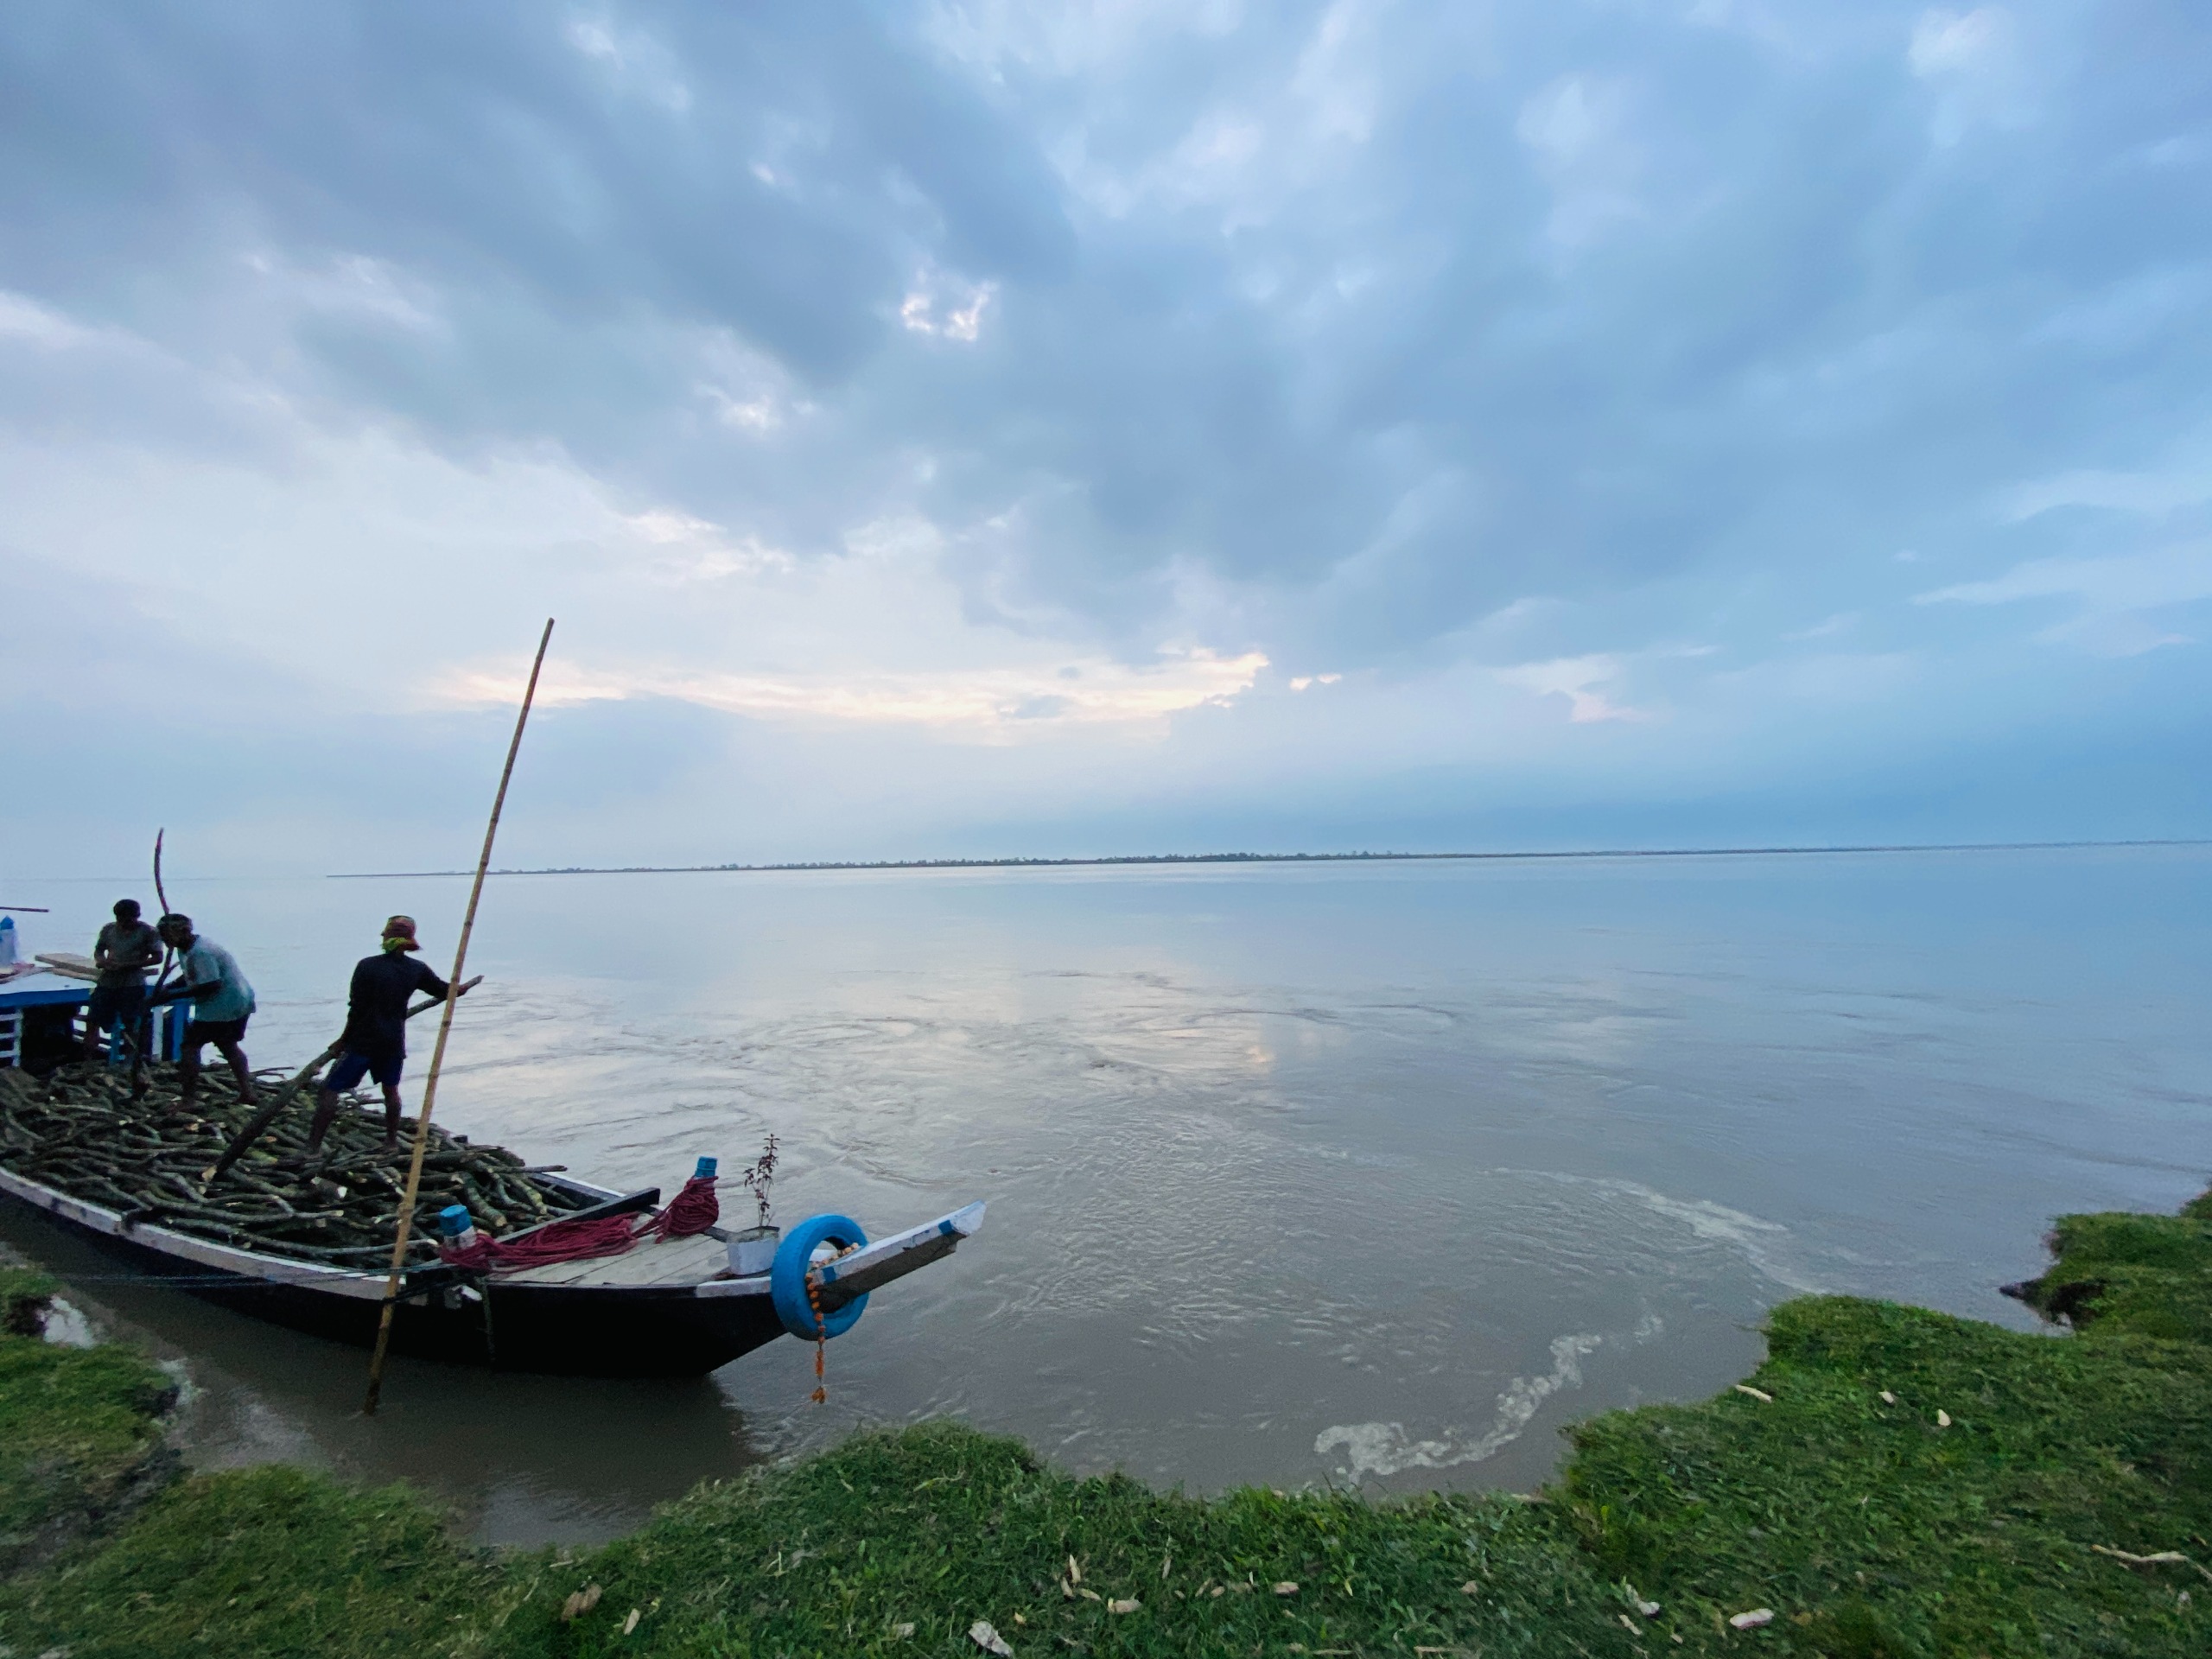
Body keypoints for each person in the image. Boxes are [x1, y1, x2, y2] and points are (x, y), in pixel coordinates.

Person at [306, 915, 467, 1154]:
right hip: (392, 1042)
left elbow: (356, 1009)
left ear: (389, 937)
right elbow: (445, 991)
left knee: (330, 1089)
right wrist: (461, 988)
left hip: (363, 1041)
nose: (382, 935)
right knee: (390, 1090)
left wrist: (342, 1041)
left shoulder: (367, 966)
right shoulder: (416, 969)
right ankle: (390, 1142)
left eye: (386, 933)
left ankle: (312, 1148)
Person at [150, 913, 257, 1108]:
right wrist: (169, 987)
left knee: (190, 1046)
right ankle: (247, 1092)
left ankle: (188, 1099)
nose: (164, 940)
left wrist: (171, 996)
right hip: (236, 999)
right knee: (227, 1044)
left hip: (224, 1003)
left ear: (183, 932)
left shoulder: (201, 952)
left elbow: (211, 985)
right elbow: (191, 974)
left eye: (167, 936)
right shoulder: (186, 949)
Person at [82, 899, 162, 1065]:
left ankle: (129, 1061)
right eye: (121, 919)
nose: (124, 923)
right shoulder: (108, 929)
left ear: (137, 916)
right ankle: (87, 1061)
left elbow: (157, 957)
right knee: (92, 1020)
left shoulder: (148, 932)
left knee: (131, 1023)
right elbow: (99, 950)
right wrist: (102, 961)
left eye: (129, 919)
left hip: (133, 983)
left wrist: (129, 965)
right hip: (107, 982)